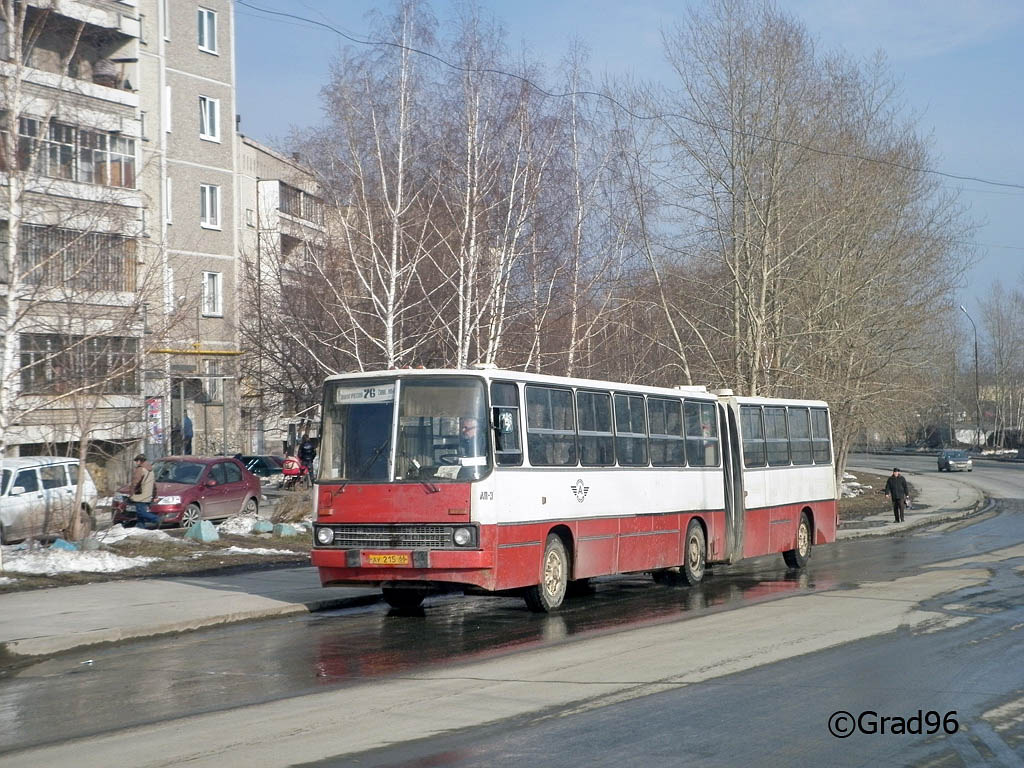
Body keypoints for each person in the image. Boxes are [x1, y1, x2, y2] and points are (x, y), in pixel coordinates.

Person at [129, 454, 160, 529]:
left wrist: (131, 493)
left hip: (140, 495)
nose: (136, 463)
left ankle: (157, 519)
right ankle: (141, 529)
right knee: (140, 516)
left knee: (141, 513)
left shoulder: (140, 469)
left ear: (140, 461)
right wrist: (155, 495)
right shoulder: (151, 470)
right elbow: (154, 484)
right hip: (148, 495)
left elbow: (135, 482)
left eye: (137, 461)